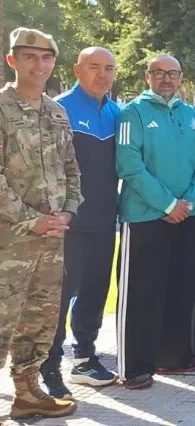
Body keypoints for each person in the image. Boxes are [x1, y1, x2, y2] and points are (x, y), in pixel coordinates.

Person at [116, 54, 195, 389]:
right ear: (148, 76)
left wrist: (188, 203)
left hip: (186, 215)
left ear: (181, 77)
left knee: (180, 289)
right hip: (145, 218)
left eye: (172, 73)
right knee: (143, 294)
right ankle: (134, 367)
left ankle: (174, 356)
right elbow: (129, 165)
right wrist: (168, 204)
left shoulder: (193, 115)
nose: (166, 79)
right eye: (159, 73)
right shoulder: (133, 113)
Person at [0, 28, 81, 419]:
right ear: (12, 60)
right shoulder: (2, 108)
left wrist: (67, 212)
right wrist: (33, 221)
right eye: (29, 56)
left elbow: (71, 169)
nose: (39, 64)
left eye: (46, 57)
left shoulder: (56, 111)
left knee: (40, 317)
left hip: (51, 239)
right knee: (2, 318)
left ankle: (28, 392)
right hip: (10, 239)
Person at [42, 47, 120, 398]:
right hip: (68, 221)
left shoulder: (116, 113)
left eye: (109, 68)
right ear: (77, 70)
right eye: (94, 67)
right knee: (58, 296)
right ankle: (49, 365)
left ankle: (85, 357)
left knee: (95, 291)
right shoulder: (58, 109)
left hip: (105, 220)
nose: (102, 75)